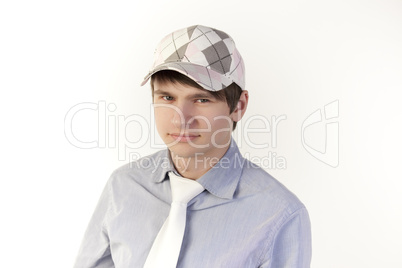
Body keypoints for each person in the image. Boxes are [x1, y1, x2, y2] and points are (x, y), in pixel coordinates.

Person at [74, 25, 311, 268]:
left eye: (201, 99)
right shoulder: (123, 186)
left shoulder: (280, 215)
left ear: (238, 106)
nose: (180, 118)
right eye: (167, 98)